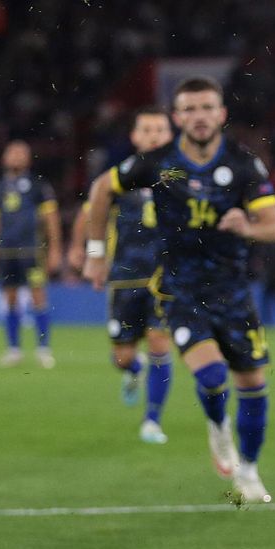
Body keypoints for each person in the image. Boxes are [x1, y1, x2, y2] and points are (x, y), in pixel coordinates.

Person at [83, 77, 275, 504]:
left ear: (221, 114)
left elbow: (274, 227)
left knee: (251, 382)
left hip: (233, 292)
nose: (199, 116)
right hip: (179, 289)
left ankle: (248, 470)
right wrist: (97, 252)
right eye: (190, 109)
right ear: (177, 117)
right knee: (212, 376)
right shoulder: (160, 163)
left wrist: (246, 226)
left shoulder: (245, 165)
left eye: (207, 107)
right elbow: (102, 189)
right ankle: (217, 427)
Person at [69, 107, 175, 443]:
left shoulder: (179, 176)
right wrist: (84, 250)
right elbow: (89, 211)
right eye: (147, 129)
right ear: (134, 136)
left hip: (163, 276)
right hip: (124, 277)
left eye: (160, 129)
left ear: (170, 135)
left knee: (160, 342)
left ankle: (152, 420)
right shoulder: (119, 178)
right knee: (122, 356)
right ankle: (133, 371)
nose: (154, 135)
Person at [0, 140, 62, 368]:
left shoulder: (38, 185)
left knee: (38, 296)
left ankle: (44, 349)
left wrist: (55, 249)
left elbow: (51, 220)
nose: (16, 157)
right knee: (10, 299)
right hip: (6, 252)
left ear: (28, 159)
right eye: (12, 153)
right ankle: (13, 350)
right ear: (3, 158)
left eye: (21, 153)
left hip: (32, 250)